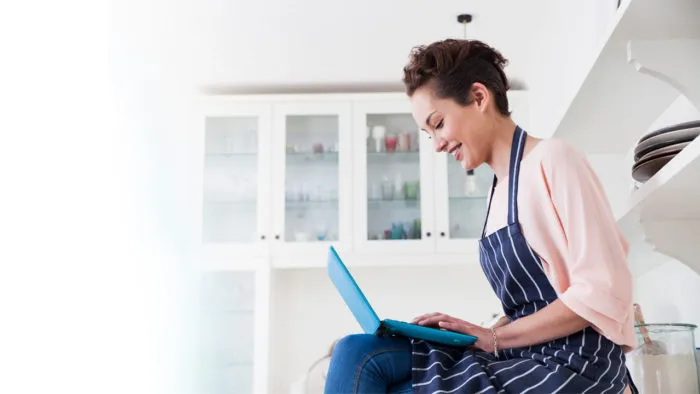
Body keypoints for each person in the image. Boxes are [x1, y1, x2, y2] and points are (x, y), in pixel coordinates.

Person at [323, 39, 638, 394]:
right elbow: (533, 305)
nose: (438, 144)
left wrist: (494, 336)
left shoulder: (554, 160)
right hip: (525, 352)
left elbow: (603, 291)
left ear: (478, 97)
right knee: (355, 351)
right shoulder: (499, 190)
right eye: (429, 135)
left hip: (576, 361)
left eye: (438, 123)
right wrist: (473, 330)